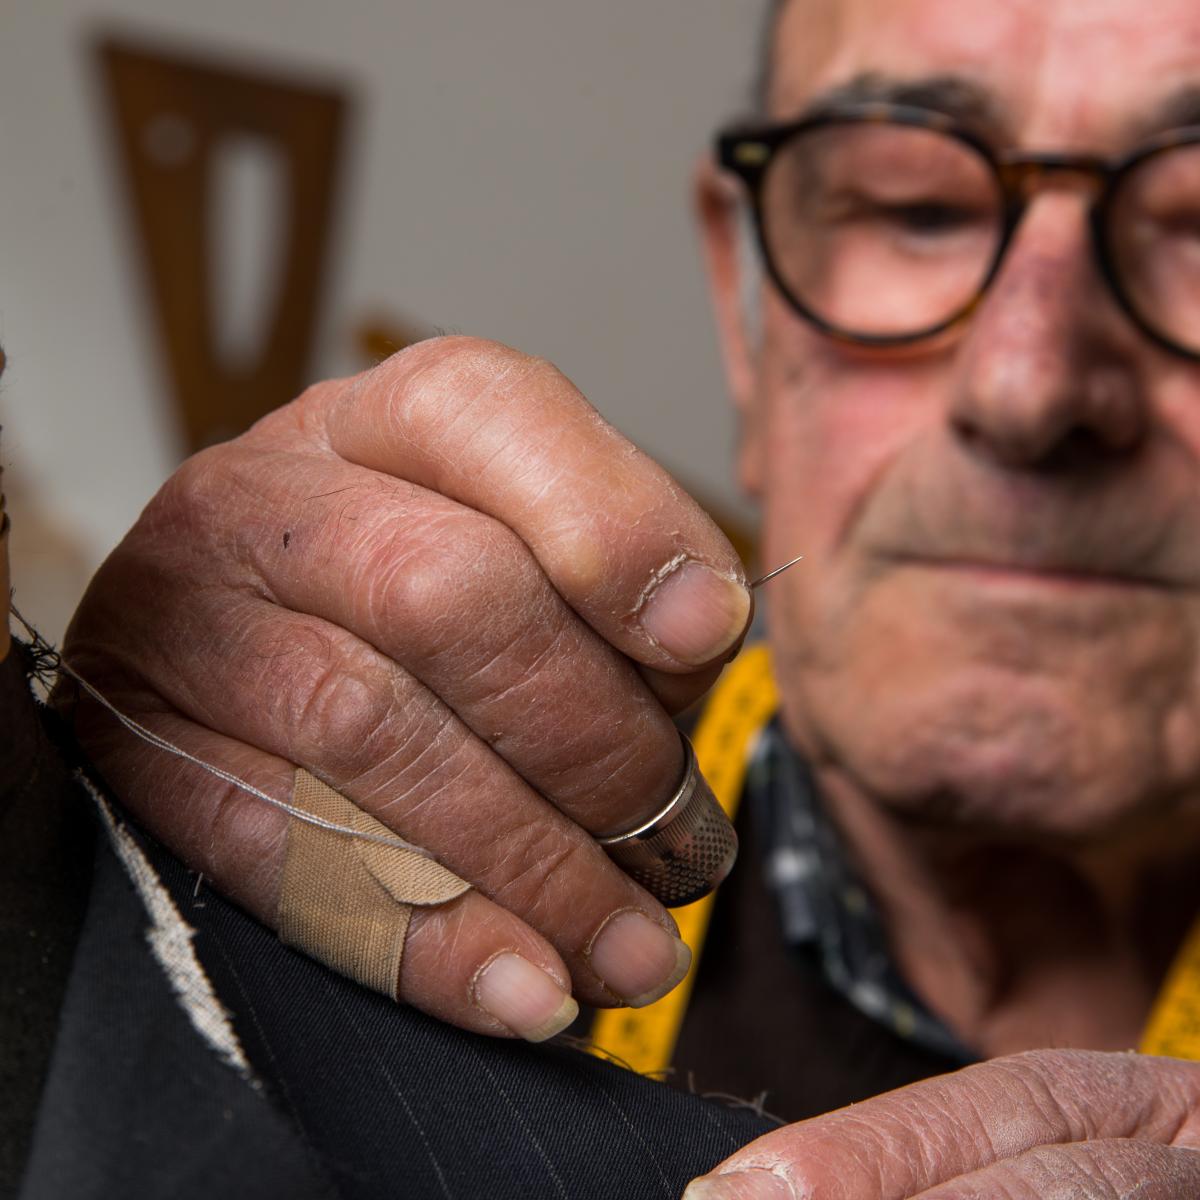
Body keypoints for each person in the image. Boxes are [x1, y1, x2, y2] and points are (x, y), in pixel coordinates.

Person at [20, 0, 1200, 1195]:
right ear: (747, 301)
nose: (1029, 383)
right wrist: (82, 832)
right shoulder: (408, 818)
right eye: (916, 206)